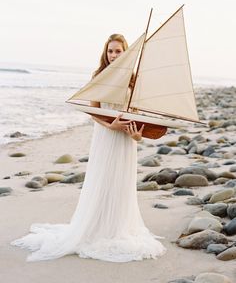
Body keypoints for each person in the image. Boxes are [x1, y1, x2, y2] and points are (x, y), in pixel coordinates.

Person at [10, 34, 166, 262]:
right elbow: (93, 111)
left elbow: (138, 120)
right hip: (105, 136)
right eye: (110, 51)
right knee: (102, 180)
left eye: (118, 51)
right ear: (106, 53)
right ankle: (95, 228)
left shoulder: (134, 81)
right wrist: (110, 125)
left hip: (125, 141)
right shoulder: (99, 76)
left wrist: (137, 135)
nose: (114, 55)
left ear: (126, 53)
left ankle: (116, 228)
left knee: (121, 183)